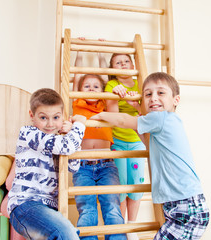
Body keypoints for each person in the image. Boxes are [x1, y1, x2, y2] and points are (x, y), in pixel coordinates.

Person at [90, 72, 210, 240]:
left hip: (186, 207)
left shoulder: (161, 119)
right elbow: (146, 141)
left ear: (176, 100)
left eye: (161, 93)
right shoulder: (165, 122)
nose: (153, 98)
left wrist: (101, 116)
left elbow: (125, 120)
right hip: (183, 205)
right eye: (148, 94)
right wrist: (138, 107)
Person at [7, 88, 86, 240]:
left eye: (56, 117)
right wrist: (80, 126)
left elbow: (74, 166)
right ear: (32, 115)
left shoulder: (58, 140)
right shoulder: (28, 133)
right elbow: (67, 146)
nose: (50, 124)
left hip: (48, 208)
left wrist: (70, 134)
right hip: (26, 205)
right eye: (43, 118)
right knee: (65, 233)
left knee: (68, 232)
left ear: (63, 116)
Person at [71, 48, 126, 240]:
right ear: (80, 89)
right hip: (82, 167)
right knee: (87, 210)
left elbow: (105, 79)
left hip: (106, 165)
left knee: (112, 207)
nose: (92, 89)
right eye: (87, 86)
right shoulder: (77, 102)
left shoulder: (104, 103)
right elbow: (77, 77)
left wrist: (102, 55)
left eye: (96, 86)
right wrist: (78, 54)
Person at [105, 54, 146, 239]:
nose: (122, 65)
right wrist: (116, 97)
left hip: (137, 140)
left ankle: (132, 225)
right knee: (121, 183)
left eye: (126, 61)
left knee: (136, 181)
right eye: (117, 63)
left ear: (133, 64)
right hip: (118, 140)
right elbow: (113, 116)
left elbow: (145, 113)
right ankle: (121, 226)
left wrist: (133, 103)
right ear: (112, 68)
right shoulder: (112, 86)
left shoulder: (141, 83)